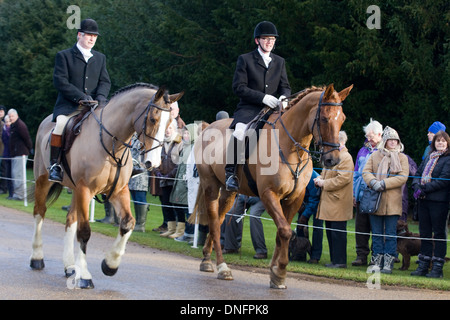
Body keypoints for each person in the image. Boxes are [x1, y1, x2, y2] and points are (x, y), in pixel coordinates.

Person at [225, 21, 291, 191]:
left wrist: (284, 97)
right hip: (248, 109)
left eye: (272, 39)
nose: (269, 42)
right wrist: (262, 97)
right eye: (265, 39)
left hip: (273, 109)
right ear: (257, 41)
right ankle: (230, 173)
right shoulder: (245, 59)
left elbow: (285, 86)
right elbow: (238, 87)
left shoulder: (280, 61)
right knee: (240, 132)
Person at [49, 18, 111, 182]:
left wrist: (100, 98)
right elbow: (60, 81)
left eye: (94, 36)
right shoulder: (64, 56)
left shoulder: (100, 58)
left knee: (113, 125)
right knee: (61, 125)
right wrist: (81, 97)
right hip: (69, 106)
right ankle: (55, 165)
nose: (92, 39)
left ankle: (118, 165)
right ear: (79, 35)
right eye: (89, 35)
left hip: (94, 107)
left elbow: (105, 81)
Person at [362, 126, 409, 274]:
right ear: (385, 141)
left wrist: (384, 184)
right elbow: (365, 171)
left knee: (390, 234)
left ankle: (388, 264)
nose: (393, 142)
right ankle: (376, 262)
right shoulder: (375, 156)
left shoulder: (402, 158)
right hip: (376, 201)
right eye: (390, 140)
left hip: (393, 203)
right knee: (376, 234)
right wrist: (373, 182)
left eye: (396, 140)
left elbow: (403, 177)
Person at [411, 130, 450, 278]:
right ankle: (423, 265)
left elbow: (444, 179)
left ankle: (437, 268)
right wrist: (416, 187)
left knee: (439, 234)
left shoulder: (448, 159)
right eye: (438, 141)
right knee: (425, 233)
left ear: (447, 143)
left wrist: (424, 189)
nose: (440, 143)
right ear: (434, 143)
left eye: (443, 141)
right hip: (423, 201)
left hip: (439, 202)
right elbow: (418, 174)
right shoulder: (428, 157)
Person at [315, 131, 354, 268]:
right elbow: (325, 172)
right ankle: (334, 260)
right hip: (329, 201)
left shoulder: (346, 157)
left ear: (341, 142)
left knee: (338, 234)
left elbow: (343, 179)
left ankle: (340, 261)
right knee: (330, 232)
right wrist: (319, 178)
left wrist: (324, 183)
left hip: (339, 202)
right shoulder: (333, 155)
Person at [352, 119, 383, 266]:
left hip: (377, 196)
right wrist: (353, 193)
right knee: (360, 227)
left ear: (379, 134)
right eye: (367, 136)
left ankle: (376, 256)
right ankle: (361, 255)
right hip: (361, 194)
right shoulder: (363, 150)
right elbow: (356, 172)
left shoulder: (384, 151)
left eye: (371, 136)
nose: (368, 139)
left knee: (376, 227)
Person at [154, 120, 184, 238]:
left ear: (175, 129)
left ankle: (180, 230)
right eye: (166, 128)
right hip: (163, 180)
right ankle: (170, 229)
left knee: (177, 205)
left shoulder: (180, 143)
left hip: (175, 180)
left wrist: (169, 175)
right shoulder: (160, 143)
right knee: (166, 204)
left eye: (170, 128)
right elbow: (156, 159)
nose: (167, 131)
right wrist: (158, 173)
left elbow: (179, 164)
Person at [171, 124, 198, 241]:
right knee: (183, 207)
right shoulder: (186, 147)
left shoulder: (194, 147)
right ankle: (185, 231)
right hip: (182, 183)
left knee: (189, 208)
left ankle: (190, 234)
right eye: (184, 133)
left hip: (189, 184)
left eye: (188, 133)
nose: (185, 135)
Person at [221, 195, 268, 259]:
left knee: (254, 216)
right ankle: (231, 247)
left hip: (261, 196)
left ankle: (261, 251)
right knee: (231, 214)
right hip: (244, 195)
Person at [295, 170, 322, 263]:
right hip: (305, 200)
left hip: (318, 200)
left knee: (317, 228)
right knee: (300, 227)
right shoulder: (294, 173)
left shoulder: (310, 176)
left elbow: (314, 198)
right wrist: (299, 204)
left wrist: (305, 215)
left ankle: (315, 256)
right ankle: (300, 254)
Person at [8, 109, 33, 200]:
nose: (11, 118)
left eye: (12, 116)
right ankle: (17, 194)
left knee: (18, 174)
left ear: (17, 115)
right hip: (15, 153)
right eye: (10, 116)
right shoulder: (14, 125)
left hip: (21, 153)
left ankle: (20, 195)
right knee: (15, 174)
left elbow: (27, 138)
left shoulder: (20, 125)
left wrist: (30, 149)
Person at [129, 134, 149, 232]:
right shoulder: (133, 138)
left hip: (141, 173)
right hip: (131, 172)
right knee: (134, 197)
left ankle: (141, 225)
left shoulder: (144, 139)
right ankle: (137, 222)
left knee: (140, 198)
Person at [1, 115, 13, 198]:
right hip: (5, 153)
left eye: (9, 122)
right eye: (6, 122)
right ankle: (7, 191)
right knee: (5, 172)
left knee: (10, 173)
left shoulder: (12, 130)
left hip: (12, 154)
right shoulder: (4, 129)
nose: (7, 123)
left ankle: (10, 191)